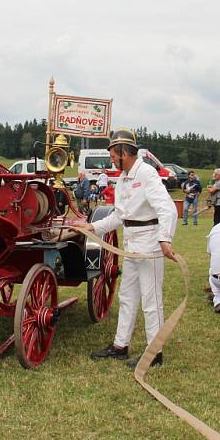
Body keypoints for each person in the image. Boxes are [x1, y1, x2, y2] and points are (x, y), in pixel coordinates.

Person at [84, 128, 177, 369]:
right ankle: (120, 346)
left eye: (114, 154)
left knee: (151, 300)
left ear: (125, 152)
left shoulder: (146, 174)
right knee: (127, 297)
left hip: (150, 246)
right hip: (132, 244)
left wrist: (165, 239)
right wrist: (90, 228)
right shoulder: (123, 179)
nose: (112, 159)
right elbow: (119, 216)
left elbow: (167, 209)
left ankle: (154, 353)